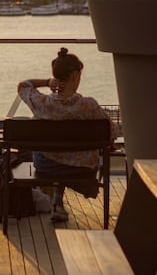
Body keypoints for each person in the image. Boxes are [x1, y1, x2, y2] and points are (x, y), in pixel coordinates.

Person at [17, 47, 111, 222]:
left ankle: (56, 201)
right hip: (82, 167)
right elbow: (110, 130)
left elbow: (23, 85)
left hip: (47, 165)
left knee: (49, 152)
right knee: (69, 154)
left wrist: (47, 82)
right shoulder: (88, 106)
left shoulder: (42, 103)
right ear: (75, 76)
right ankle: (57, 201)